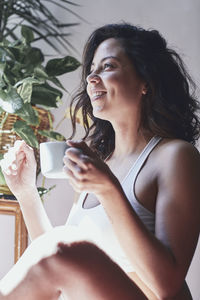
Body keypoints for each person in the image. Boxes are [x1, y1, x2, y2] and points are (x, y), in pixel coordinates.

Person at [0, 22, 200, 300]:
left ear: (146, 82)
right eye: (92, 69)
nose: (92, 78)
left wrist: (108, 189)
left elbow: (166, 284)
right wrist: (25, 192)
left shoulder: (175, 156)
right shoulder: (100, 162)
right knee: (59, 245)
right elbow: (57, 264)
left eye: (108, 66)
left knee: (63, 244)